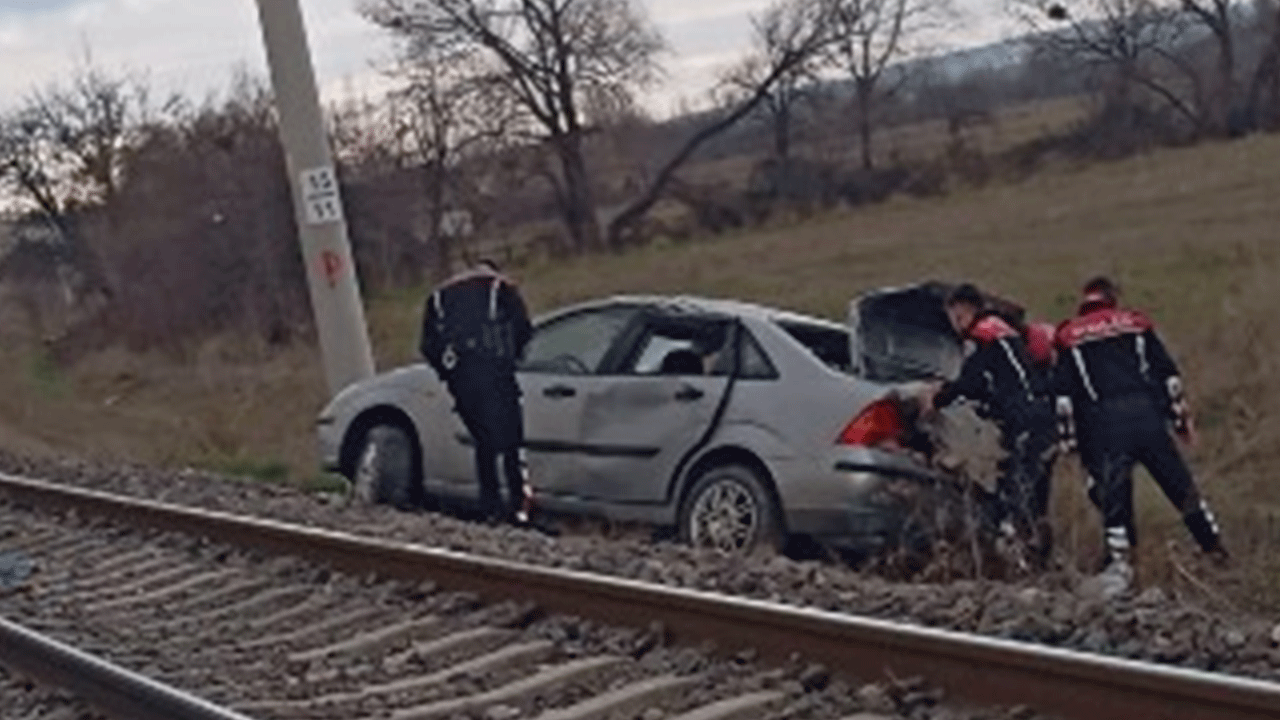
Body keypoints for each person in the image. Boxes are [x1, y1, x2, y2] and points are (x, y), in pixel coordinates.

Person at [1053, 277, 1227, 596]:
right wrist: (1180, 422)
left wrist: (1071, 446)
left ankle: (1121, 564)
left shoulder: (1068, 335)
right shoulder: (1136, 323)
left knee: (1114, 497)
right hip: (1147, 416)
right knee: (1180, 486)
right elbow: (1169, 376)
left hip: (1104, 423)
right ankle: (1214, 549)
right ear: (1112, 299)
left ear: (1085, 301)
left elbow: (1063, 398)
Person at [923, 283, 1057, 565]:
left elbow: (971, 381)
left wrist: (938, 398)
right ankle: (1039, 555)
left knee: (1014, 491)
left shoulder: (981, 336)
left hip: (1023, 420)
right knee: (1036, 493)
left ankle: (1017, 556)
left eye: (955, 316)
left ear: (965, 310)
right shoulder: (1004, 330)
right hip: (1043, 417)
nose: (954, 324)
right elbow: (994, 381)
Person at [420, 259, 534, 525]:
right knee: (511, 443)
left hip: (462, 381)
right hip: (497, 374)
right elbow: (524, 330)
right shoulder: (501, 288)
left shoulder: (438, 298)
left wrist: (448, 375)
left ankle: (490, 508)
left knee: (484, 443)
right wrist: (511, 359)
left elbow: (428, 345)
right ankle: (518, 508)